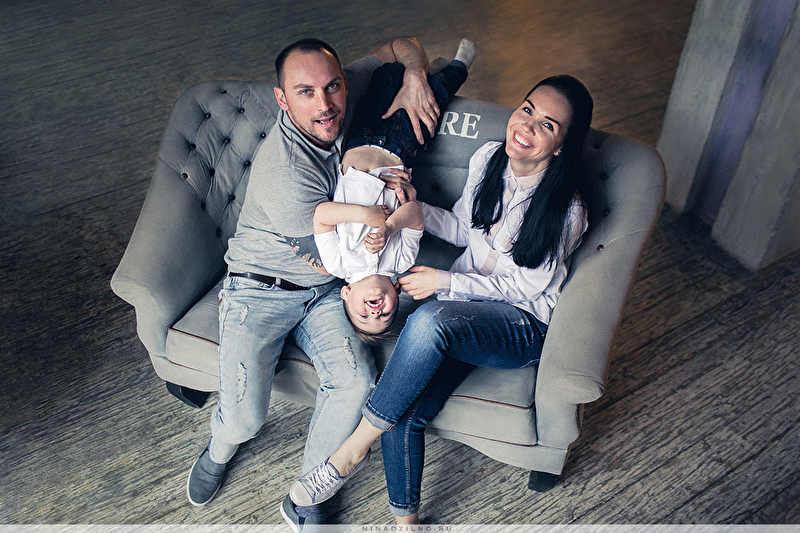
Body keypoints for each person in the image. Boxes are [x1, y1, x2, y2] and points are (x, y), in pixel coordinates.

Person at [289, 75, 595, 524]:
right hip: (464, 314)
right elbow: (462, 229)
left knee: (429, 320)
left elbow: (524, 289)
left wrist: (447, 282)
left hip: (520, 325)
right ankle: (405, 523)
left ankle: (350, 452)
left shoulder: (566, 210)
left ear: (562, 145)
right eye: (527, 109)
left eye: (547, 125)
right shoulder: (489, 158)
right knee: (402, 407)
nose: (527, 126)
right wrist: (408, 206)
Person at [185, 35, 442, 530]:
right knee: (244, 419)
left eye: (332, 87)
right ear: (282, 99)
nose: (324, 104)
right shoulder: (286, 172)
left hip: (325, 294)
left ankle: (308, 495)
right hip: (261, 289)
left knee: (356, 382)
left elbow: (404, 44)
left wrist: (415, 77)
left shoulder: (337, 92)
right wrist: (395, 205)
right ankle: (219, 446)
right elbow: (342, 258)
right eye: (305, 92)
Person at [314, 40, 476, 340]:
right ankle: (457, 68)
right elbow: (414, 215)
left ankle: (423, 72)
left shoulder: (338, 264)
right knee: (434, 100)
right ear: (397, 291)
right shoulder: (402, 262)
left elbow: (322, 216)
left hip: (359, 142)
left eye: (364, 316)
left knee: (387, 77)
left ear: (346, 294)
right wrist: (389, 228)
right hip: (402, 150)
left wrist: (364, 215)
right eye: (385, 315)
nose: (375, 312)